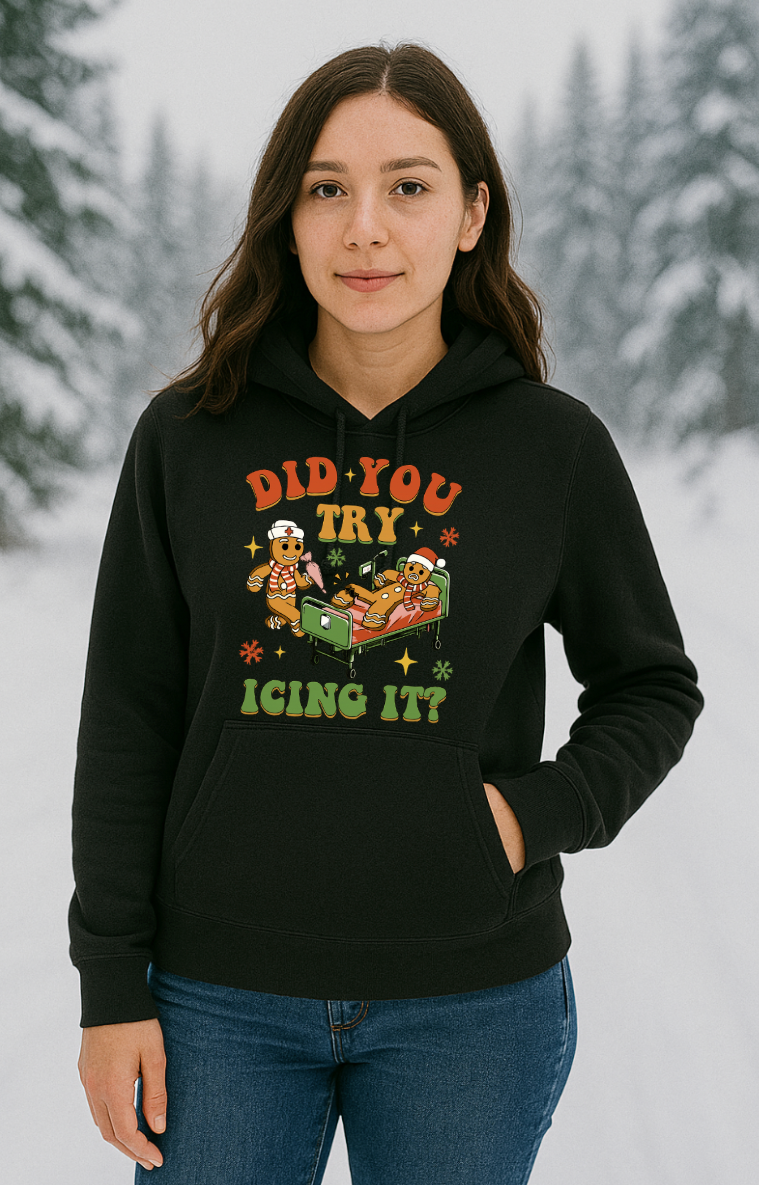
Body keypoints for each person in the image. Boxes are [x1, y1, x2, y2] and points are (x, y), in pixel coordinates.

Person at [70, 42, 704, 1185]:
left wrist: (525, 815)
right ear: (288, 217)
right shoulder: (187, 439)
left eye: (406, 186)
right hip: (217, 1001)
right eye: (327, 189)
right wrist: (111, 986)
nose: (364, 227)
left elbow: (650, 683)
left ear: (469, 214)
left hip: (472, 1002)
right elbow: (128, 714)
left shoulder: (548, 450)